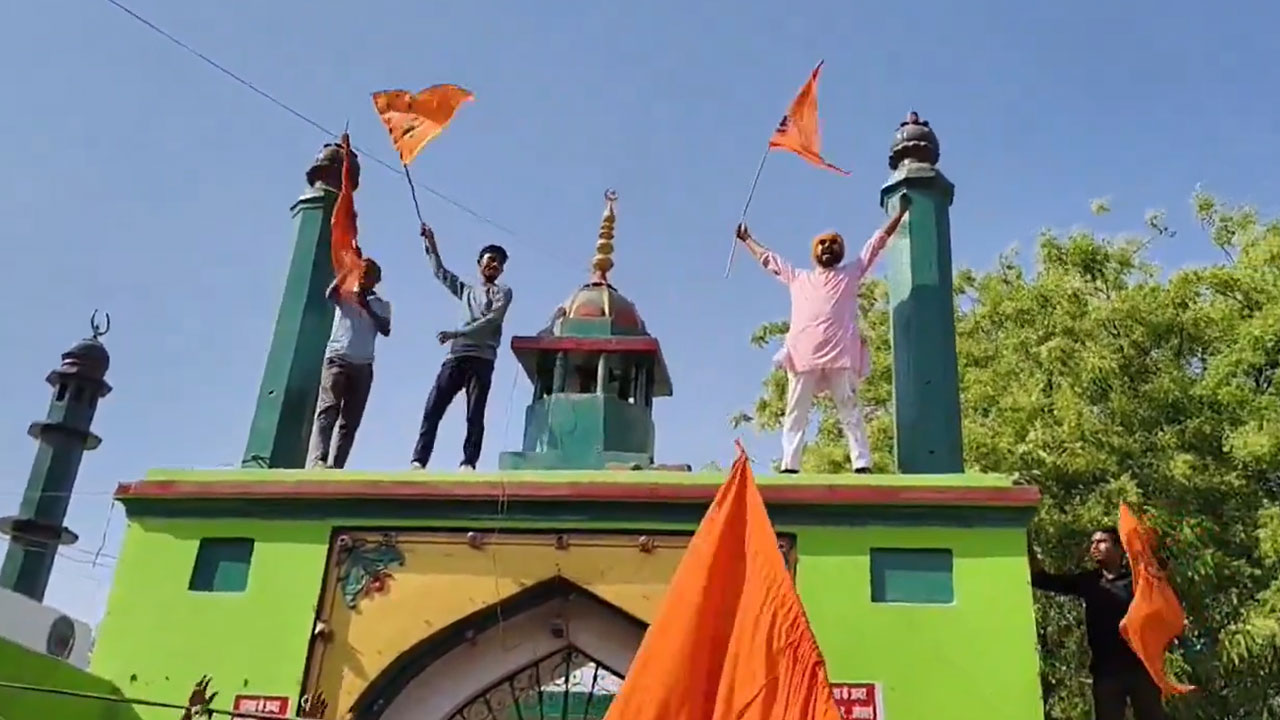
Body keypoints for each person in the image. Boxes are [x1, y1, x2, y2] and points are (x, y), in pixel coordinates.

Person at [734, 197, 910, 474]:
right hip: (804, 357)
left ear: (841, 250)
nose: (827, 247)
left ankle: (861, 463)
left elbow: (876, 244)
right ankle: (789, 465)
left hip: (840, 355)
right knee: (795, 414)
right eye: (822, 243)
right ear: (814, 251)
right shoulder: (798, 277)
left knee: (850, 410)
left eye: (833, 243)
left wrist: (899, 214)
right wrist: (747, 240)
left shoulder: (851, 273)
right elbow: (770, 261)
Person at [1028, 528, 1168, 720]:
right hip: (1106, 672)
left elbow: (1163, 597)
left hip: (1141, 669)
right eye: (1093, 543)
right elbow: (1043, 580)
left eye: (1102, 542)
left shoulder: (1139, 581)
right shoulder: (1089, 582)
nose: (1094, 547)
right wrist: (1025, 542)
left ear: (1120, 548)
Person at [411, 223, 513, 470]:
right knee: (433, 407)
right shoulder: (467, 291)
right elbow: (440, 272)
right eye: (490, 260)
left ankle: (468, 462)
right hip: (456, 357)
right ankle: (419, 460)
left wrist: (457, 332)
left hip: (482, 359)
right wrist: (431, 244)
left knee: (474, 413)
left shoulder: (503, 292)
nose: (494, 265)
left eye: (499, 263)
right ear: (479, 263)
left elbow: (492, 320)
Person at [308, 257, 391, 468]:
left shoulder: (381, 304)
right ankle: (319, 460)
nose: (364, 275)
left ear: (376, 280)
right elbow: (330, 294)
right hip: (338, 358)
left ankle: (336, 466)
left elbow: (385, 329)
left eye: (368, 273)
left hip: (363, 365)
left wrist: (367, 308)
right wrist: (347, 271)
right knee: (328, 409)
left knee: (350, 421)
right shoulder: (345, 293)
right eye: (362, 271)